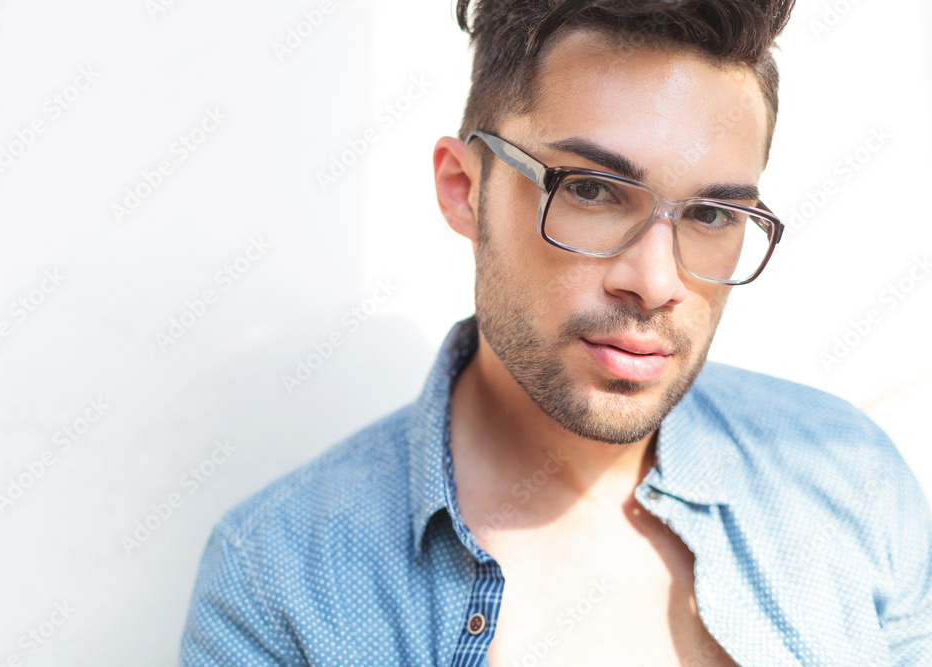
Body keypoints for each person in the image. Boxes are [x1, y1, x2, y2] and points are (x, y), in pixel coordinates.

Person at [180, 1, 932, 664]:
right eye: (593, 190)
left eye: (710, 214)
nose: (657, 280)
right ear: (464, 188)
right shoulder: (281, 580)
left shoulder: (851, 481)